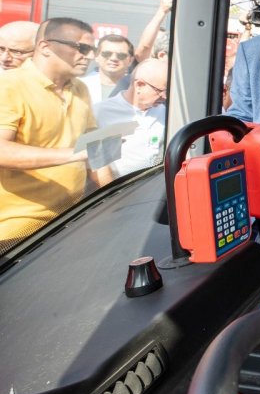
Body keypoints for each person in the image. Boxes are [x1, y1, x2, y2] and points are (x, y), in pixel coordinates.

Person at [0, 18, 110, 251]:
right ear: (45, 47)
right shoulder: (9, 85)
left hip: (70, 219)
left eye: (92, 49)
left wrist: (113, 200)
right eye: (81, 48)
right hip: (16, 231)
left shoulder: (79, 88)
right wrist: (75, 153)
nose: (89, 56)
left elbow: (95, 152)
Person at [93, 59, 168, 177]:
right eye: (160, 91)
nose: (165, 96)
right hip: (121, 186)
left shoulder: (165, 112)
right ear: (139, 85)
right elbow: (95, 165)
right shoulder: (100, 113)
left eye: (167, 91)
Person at [80, 34, 135, 103]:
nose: (113, 58)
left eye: (121, 55)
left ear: (130, 60)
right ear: (96, 56)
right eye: (107, 54)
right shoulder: (79, 86)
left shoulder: (137, 89)